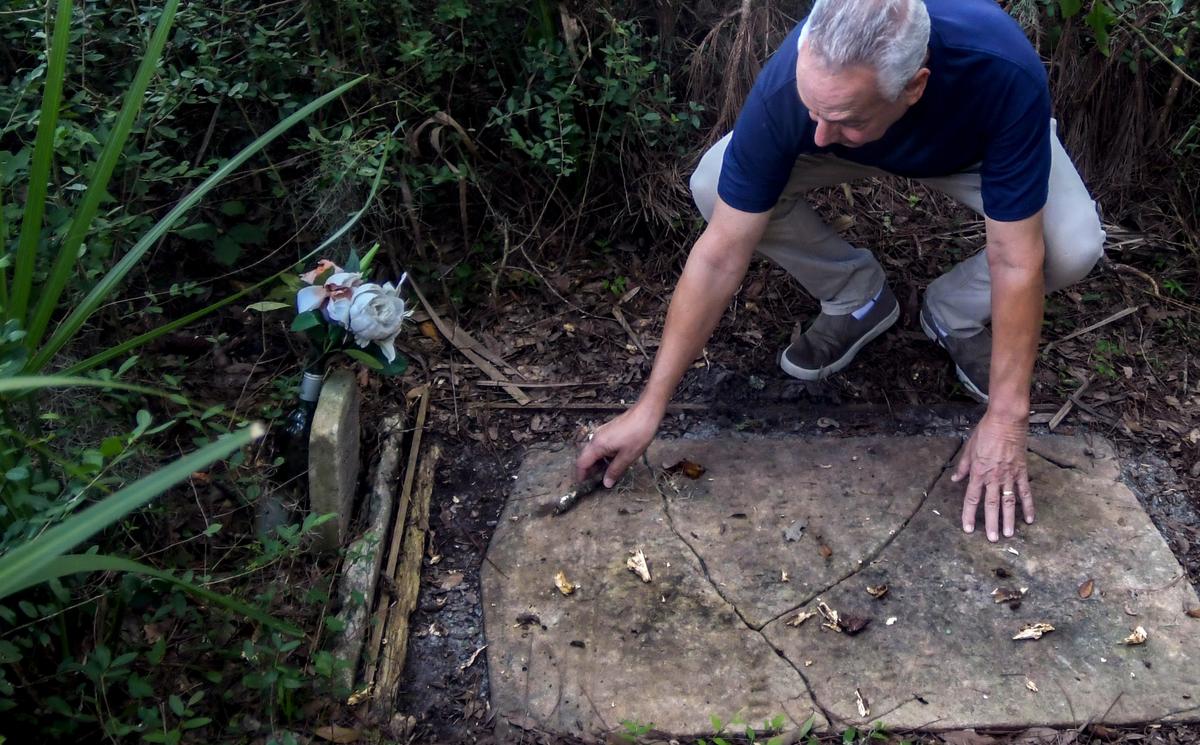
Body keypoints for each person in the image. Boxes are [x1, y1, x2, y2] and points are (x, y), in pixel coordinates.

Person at [574, 0, 1105, 542]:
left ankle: (954, 311)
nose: (820, 133)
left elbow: (1015, 258)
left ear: (916, 85)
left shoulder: (999, 68)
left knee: (1070, 246)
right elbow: (718, 256)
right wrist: (650, 406)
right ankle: (857, 296)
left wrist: (1008, 420)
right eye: (813, 110)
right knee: (715, 186)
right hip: (862, 130)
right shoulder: (800, 85)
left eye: (843, 117)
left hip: (973, 150)